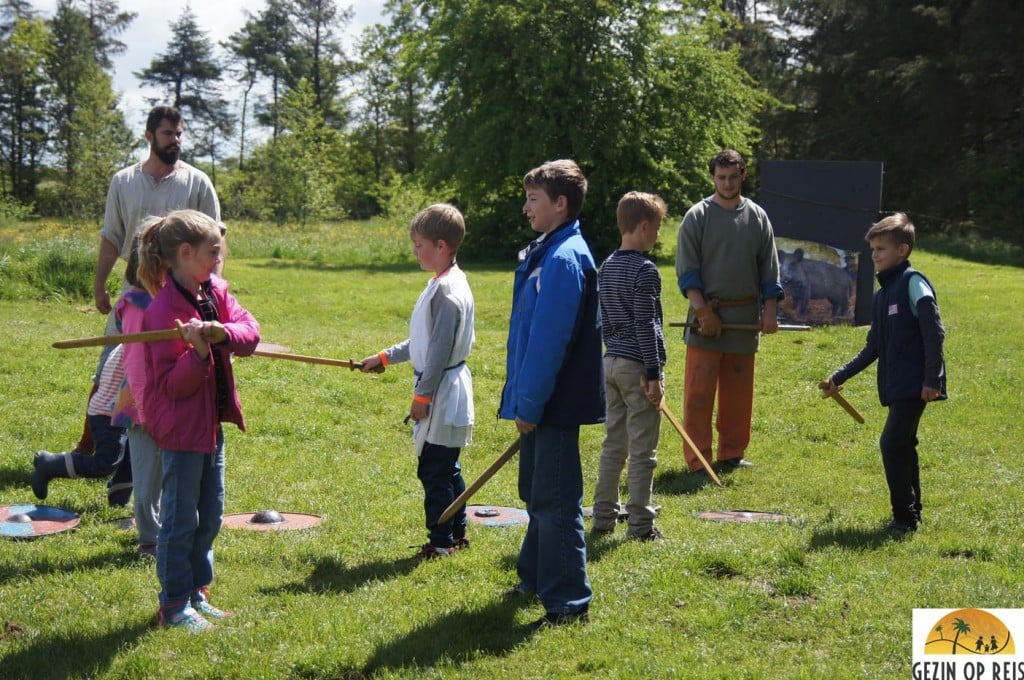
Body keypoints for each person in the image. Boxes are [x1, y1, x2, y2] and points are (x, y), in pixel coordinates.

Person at [68, 105, 221, 459]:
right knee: (110, 364)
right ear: (149, 136)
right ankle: (91, 444)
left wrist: (210, 292)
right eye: (168, 134)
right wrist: (99, 284)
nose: (176, 140)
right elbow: (111, 236)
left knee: (172, 370)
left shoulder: (197, 182)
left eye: (179, 133)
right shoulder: (124, 181)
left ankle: (157, 445)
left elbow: (215, 243)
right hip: (134, 293)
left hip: (179, 295)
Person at [137, 210, 259, 632]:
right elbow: (172, 386)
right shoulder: (162, 312)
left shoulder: (216, 291)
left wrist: (221, 332)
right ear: (185, 254)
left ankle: (196, 593)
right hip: (182, 431)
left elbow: (250, 331)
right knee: (180, 519)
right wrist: (199, 353)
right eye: (213, 252)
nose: (218, 259)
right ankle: (172, 606)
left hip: (211, 429)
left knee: (210, 514)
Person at [499, 159, 604, 631]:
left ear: (561, 204)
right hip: (539, 401)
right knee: (535, 491)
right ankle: (535, 577)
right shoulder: (547, 251)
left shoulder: (563, 259)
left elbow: (549, 342)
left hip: (553, 405)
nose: (526, 208)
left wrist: (530, 404)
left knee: (557, 501)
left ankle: (567, 602)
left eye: (534, 200)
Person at [359, 204, 476, 559]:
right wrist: (384, 358)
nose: (415, 251)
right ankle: (456, 533)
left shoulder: (447, 292)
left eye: (419, 244)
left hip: (442, 390)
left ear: (441, 246)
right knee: (446, 465)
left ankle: (441, 542)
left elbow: (438, 352)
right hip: (444, 385)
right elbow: (423, 341)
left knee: (435, 470)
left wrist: (422, 397)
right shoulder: (445, 281)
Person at [820, 213, 945, 535]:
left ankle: (903, 518)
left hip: (916, 383)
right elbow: (873, 347)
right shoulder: (882, 295)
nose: (875, 255)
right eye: (873, 248)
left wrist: (933, 379)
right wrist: (839, 377)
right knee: (904, 444)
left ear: (903, 250)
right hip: (897, 383)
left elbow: (934, 333)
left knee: (892, 443)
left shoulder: (913, 283)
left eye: (882, 249)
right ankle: (912, 512)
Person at [675, 149, 783, 474]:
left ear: (743, 175)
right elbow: (687, 271)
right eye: (721, 177)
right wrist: (703, 311)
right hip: (706, 318)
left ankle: (732, 453)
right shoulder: (697, 216)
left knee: (738, 394)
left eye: (733, 176)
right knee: (698, 393)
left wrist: (769, 312)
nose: (726, 182)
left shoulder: (758, 217)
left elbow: (769, 271)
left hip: (744, 319)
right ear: (713, 178)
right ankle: (697, 460)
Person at [590, 191, 669, 541]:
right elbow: (646, 324)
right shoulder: (645, 270)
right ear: (643, 226)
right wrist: (653, 374)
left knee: (613, 447)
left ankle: (603, 519)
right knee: (642, 452)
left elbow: (602, 318)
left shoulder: (606, 265)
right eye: (657, 228)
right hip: (637, 366)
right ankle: (640, 526)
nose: (658, 235)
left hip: (610, 363)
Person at [117, 235, 159, 556]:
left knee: (166, 475)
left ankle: (167, 532)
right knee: (146, 480)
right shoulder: (136, 305)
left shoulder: (169, 300)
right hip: (144, 405)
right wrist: (147, 408)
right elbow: (135, 363)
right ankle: (150, 539)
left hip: (170, 403)